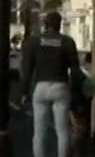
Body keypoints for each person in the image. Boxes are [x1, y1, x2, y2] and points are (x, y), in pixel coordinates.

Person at [21, 11, 80, 157]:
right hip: (60, 86)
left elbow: (27, 69)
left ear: (45, 24)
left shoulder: (34, 41)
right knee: (62, 130)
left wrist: (24, 92)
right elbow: (75, 69)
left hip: (41, 86)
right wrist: (75, 91)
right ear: (60, 24)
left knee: (39, 131)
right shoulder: (67, 41)